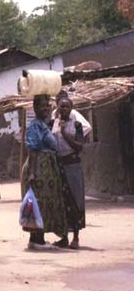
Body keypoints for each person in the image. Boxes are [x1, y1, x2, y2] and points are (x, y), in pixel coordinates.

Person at [23, 94, 68, 250]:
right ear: (35, 108)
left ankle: (38, 238)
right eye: (42, 105)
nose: (46, 108)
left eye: (48, 105)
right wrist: (32, 173)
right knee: (39, 202)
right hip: (39, 169)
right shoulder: (34, 126)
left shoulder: (44, 125)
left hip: (47, 169)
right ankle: (36, 240)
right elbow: (33, 150)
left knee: (45, 202)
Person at [51, 97, 89, 249]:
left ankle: (76, 238)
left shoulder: (77, 125)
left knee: (75, 200)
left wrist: (64, 133)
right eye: (61, 107)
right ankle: (64, 237)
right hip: (58, 166)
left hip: (73, 166)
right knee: (61, 200)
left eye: (66, 107)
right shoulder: (53, 123)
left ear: (71, 109)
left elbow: (79, 146)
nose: (63, 110)